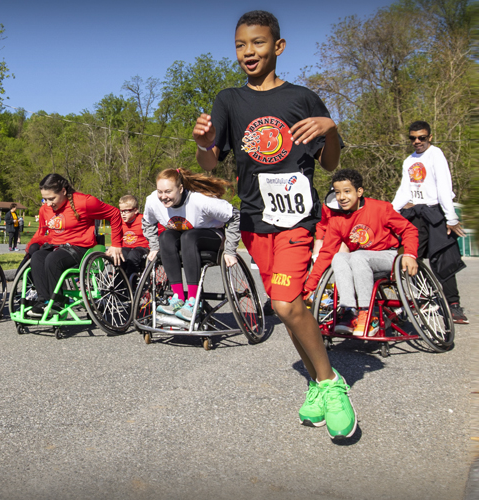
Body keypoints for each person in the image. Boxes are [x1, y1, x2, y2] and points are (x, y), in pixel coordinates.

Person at [192, 11, 355, 439]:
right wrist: (203, 145)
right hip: (253, 221)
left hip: (297, 219)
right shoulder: (228, 100)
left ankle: (329, 383)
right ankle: (319, 384)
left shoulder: (302, 98)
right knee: (291, 310)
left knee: (283, 304)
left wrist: (331, 128)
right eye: (241, 45)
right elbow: (211, 161)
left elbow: (331, 162)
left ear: (278, 47)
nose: (249, 52)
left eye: (258, 43)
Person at [310, 169, 421, 335]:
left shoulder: (380, 208)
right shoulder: (337, 219)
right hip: (359, 260)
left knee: (358, 256)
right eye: (338, 192)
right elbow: (326, 253)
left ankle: (367, 313)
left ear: (359, 191)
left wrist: (410, 254)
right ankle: (349, 311)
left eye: (347, 191)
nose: (341, 197)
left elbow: (409, 230)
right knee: (339, 257)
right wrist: (310, 286)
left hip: (388, 256)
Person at [391, 120, 468, 324]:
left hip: (435, 213)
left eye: (422, 138)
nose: (417, 141)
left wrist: (451, 217)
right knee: (411, 257)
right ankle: (423, 300)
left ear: (429, 137)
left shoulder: (436, 155)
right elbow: (404, 190)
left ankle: (453, 305)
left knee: (443, 259)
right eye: (413, 138)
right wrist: (389, 212)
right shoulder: (408, 161)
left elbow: (444, 186)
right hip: (416, 214)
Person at [143, 168, 240, 322]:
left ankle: (193, 300)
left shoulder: (200, 200)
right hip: (181, 237)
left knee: (189, 236)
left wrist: (230, 250)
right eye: (159, 192)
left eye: (168, 191)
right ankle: (178, 298)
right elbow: (148, 222)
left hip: (211, 236)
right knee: (166, 236)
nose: (163, 197)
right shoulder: (152, 201)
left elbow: (234, 215)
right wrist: (154, 246)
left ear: (180, 189)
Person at [23, 173, 124, 318]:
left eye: (52, 198)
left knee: (53, 259)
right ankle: (44, 300)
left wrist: (116, 244)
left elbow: (114, 214)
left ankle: (57, 304)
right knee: (38, 257)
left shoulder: (84, 202)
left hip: (81, 247)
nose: (49, 203)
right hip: (57, 246)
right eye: (45, 199)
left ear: (63, 191)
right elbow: (42, 233)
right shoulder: (46, 208)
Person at [114, 194, 149, 280]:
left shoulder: (144, 220)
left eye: (126, 211)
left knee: (133, 255)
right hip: (126, 247)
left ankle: (131, 282)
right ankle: (119, 282)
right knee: (121, 254)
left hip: (142, 248)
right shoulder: (119, 222)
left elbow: (161, 231)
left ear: (135, 210)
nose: (123, 214)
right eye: (121, 211)